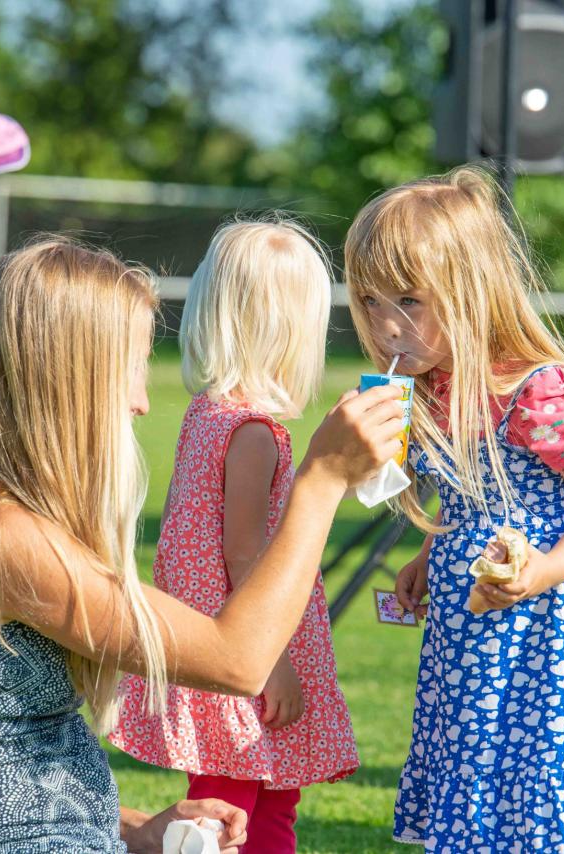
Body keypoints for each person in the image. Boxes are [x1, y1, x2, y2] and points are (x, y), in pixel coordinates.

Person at [0, 238, 404, 852]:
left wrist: (140, 828)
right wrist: (322, 480)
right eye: (133, 367)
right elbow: (238, 662)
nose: (141, 402)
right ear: (71, 379)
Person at [345, 166, 564, 851]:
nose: (386, 324)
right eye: (371, 301)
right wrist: (429, 553)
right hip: (474, 619)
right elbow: (471, 495)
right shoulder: (432, 386)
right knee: (484, 749)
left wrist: (544, 571)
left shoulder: (538, 390)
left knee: (549, 759)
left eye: (408, 300)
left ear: (470, 288)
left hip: (555, 623)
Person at [110, 220, 360, 853]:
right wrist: (271, 666)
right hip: (243, 649)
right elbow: (243, 553)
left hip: (210, 639)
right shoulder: (252, 433)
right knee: (228, 812)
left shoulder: (209, 412)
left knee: (270, 800)